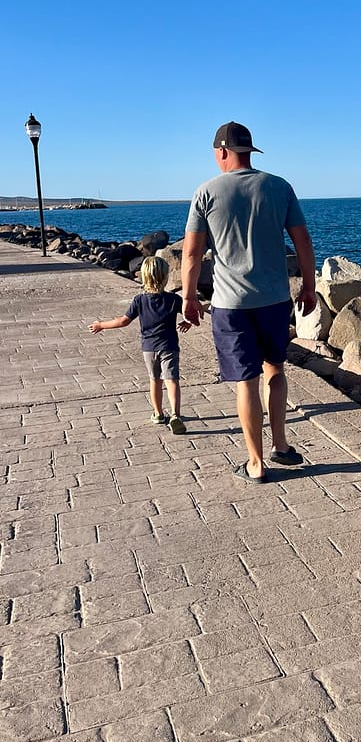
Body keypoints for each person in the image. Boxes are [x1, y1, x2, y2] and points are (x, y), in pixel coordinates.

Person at [181, 121, 317, 484]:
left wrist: (189, 297)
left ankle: (255, 463)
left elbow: (192, 254)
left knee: (247, 382)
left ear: (222, 151)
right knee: (276, 371)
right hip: (274, 300)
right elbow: (303, 243)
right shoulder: (279, 186)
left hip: (230, 304)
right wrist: (309, 287)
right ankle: (282, 444)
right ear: (249, 152)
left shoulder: (206, 192)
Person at [89, 255, 190, 434]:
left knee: (155, 380)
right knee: (172, 380)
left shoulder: (139, 300)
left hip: (149, 349)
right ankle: (175, 415)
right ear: (166, 277)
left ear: (143, 277)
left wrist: (101, 325)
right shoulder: (174, 299)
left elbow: (123, 321)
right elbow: (189, 313)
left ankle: (158, 414)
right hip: (169, 347)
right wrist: (188, 322)